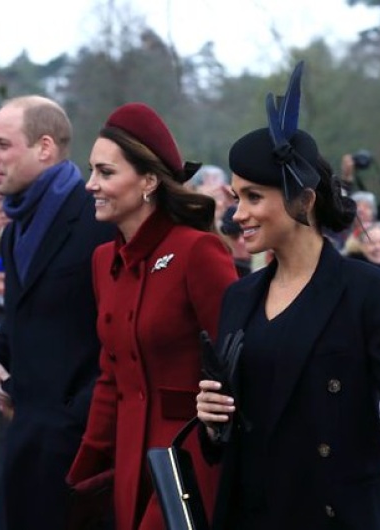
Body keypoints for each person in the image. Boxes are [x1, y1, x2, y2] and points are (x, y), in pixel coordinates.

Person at [196, 61, 380, 530]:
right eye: (237, 198)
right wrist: (213, 421)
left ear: (304, 199)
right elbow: (232, 434)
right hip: (253, 513)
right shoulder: (239, 297)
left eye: (253, 197)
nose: (238, 213)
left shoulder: (369, 291)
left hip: (339, 514)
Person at [66, 102, 238, 530]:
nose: (90, 185)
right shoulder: (104, 260)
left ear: (147, 181)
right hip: (130, 460)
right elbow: (112, 376)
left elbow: (238, 357)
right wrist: (87, 464)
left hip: (190, 458)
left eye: (105, 172)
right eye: (92, 171)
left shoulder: (198, 251)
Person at [0, 95, 116, 530]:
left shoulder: (98, 219)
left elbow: (122, 326)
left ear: (45, 147)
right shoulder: (14, 230)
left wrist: (80, 411)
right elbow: (22, 313)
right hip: (25, 442)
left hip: (81, 449)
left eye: (2, 144)